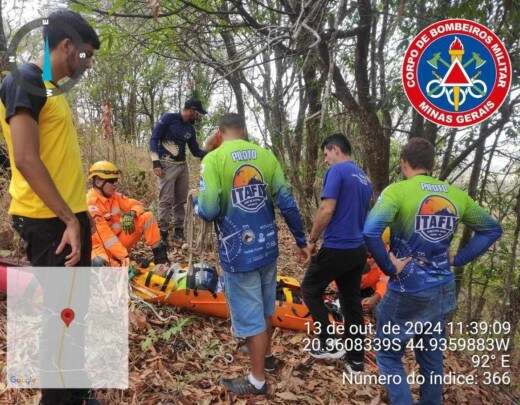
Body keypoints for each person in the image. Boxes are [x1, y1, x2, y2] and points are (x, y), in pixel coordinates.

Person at [0, 9, 100, 405]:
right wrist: (66, 220)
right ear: (65, 46)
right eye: (86, 55)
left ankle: (76, 391)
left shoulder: (47, 86)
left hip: (68, 215)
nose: (87, 65)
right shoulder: (24, 80)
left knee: (75, 313)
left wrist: (77, 216)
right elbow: (24, 158)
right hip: (48, 220)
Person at [363, 137, 502, 405]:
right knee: (431, 359)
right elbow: (492, 229)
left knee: (389, 354)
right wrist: (458, 259)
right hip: (442, 290)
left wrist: (389, 266)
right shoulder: (455, 195)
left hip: (408, 288)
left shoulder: (397, 192)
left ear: (404, 163)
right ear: (431, 164)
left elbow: (370, 231)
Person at [194, 113, 310, 395]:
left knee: (251, 316)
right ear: (243, 131)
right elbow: (286, 201)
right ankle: (266, 357)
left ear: (219, 133)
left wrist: (197, 204)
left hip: (239, 253)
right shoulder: (266, 156)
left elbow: (208, 209)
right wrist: (301, 239)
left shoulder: (214, 159)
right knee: (266, 307)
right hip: (268, 247)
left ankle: (256, 380)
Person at [300, 133, 372, 373]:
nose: (325, 160)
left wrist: (311, 240)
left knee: (309, 290)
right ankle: (355, 360)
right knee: (351, 304)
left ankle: (326, 342)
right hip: (357, 250)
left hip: (338, 246)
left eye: (326, 155)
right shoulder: (363, 178)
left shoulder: (338, 171)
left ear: (335, 149)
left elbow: (326, 208)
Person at [150, 97, 209, 246]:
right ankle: (162, 233)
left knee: (181, 200)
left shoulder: (190, 128)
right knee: (165, 200)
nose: (199, 116)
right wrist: (155, 161)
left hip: (182, 166)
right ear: (191, 110)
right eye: (198, 113)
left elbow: (195, 151)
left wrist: (210, 153)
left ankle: (178, 231)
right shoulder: (169, 118)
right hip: (166, 165)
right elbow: (154, 138)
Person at [86, 161, 168, 267]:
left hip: (119, 241)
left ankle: (161, 259)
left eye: (116, 180)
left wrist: (131, 213)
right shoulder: (91, 204)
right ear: (98, 182)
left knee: (147, 217)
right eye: (112, 181)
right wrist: (125, 257)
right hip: (101, 248)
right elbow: (106, 237)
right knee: (104, 266)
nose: (115, 184)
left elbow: (139, 205)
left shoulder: (114, 196)